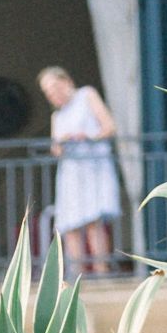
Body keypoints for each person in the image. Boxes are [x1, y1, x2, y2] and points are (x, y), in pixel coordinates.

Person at [40, 65, 120, 277]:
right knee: (70, 223)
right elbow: (55, 148)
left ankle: (101, 272)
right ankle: (77, 275)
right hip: (71, 172)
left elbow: (109, 127)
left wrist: (88, 136)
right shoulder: (57, 116)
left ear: (66, 82)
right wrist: (63, 142)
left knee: (93, 221)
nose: (53, 95)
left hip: (93, 166)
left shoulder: (87, 95)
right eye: (48, 92)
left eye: (55, 87)